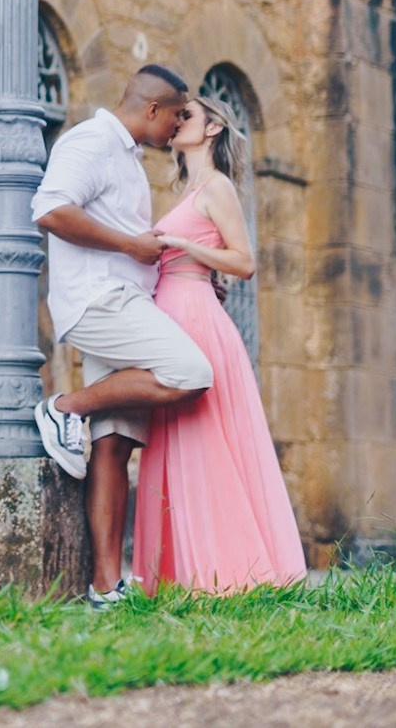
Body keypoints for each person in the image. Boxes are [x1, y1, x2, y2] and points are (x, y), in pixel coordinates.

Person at [30, 65, 214, 609]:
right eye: (178, 114)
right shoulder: (90, 141)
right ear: (152, 109)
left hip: (124, 302)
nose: (179, 124)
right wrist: (129, 247)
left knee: (114, 447)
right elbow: (50, 210)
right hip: (98, 300)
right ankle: (64, 407)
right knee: (191, 373)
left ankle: (105, 587)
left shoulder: (128, 157)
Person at [131, 92, 306, 594]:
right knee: (172, 444)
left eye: (187, 115)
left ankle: (228, 573)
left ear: (211, 129)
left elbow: (244, 262)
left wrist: (185, 247)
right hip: (172, 318)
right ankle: (177, 576)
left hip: (199, 322)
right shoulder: (188, 191)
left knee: (205, 442)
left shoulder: (218, 187)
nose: (177, 121)